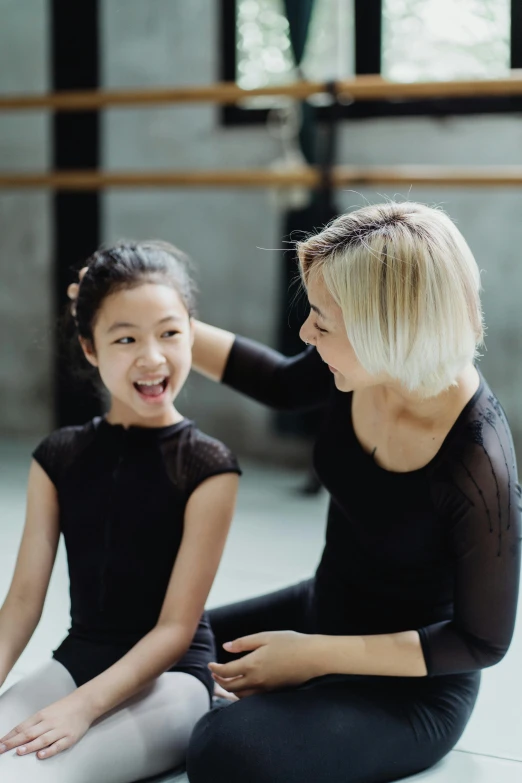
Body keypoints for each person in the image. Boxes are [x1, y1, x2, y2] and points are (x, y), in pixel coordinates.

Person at [185, 202, 521, 783]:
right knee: (146, 641)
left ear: (386, 331)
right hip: (323, 610)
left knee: (227, 752)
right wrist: (161, 323)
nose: (304, 333)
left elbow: (481, 642)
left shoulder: (478, 463)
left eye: (320, 320)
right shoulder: (362, 364)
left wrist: (312, 657)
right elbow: (279, 381)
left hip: (410, 690)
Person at [0, 241, 241, 783]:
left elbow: (175, 630)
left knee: (33, 776)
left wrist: (81, 708)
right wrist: (68, 694)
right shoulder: (58, 456)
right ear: (90, 347)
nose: (152, 357)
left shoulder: (209, 466)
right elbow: (19, 604)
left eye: (169, 333)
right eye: (125, 338)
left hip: (172, 681)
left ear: (191, 333)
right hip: (78, 660)